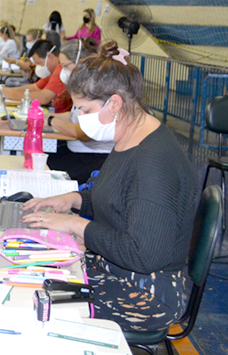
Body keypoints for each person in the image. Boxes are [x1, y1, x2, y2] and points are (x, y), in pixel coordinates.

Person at [21, 41, 197, 333]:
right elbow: (117, 199)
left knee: (33, 301)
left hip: (146, 293)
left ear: (115, 103)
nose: (79, 117)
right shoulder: (131, 135)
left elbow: (142, 254)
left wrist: (77, 226)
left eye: (84, 109)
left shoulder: (152, 162)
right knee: (34, 273)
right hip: (115, 268)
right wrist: (74, 199)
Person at [44, 38, 113, 183]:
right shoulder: (83, 87)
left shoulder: (96, 90)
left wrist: (51, 121)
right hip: (78, 150)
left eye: (65, 66)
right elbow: (73, 116)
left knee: (47, 170)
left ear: (81, 61)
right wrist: (46, 115)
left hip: (95, 158)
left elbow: (84, 133)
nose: (63, 72)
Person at [1, 39, 71, 112]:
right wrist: (7, 91)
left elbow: (44, 97)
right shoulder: (52, 71)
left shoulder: (61, 70)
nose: (38, 67)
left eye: (39, 63)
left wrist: (11, 94)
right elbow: (35, 87)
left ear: (50, 57)